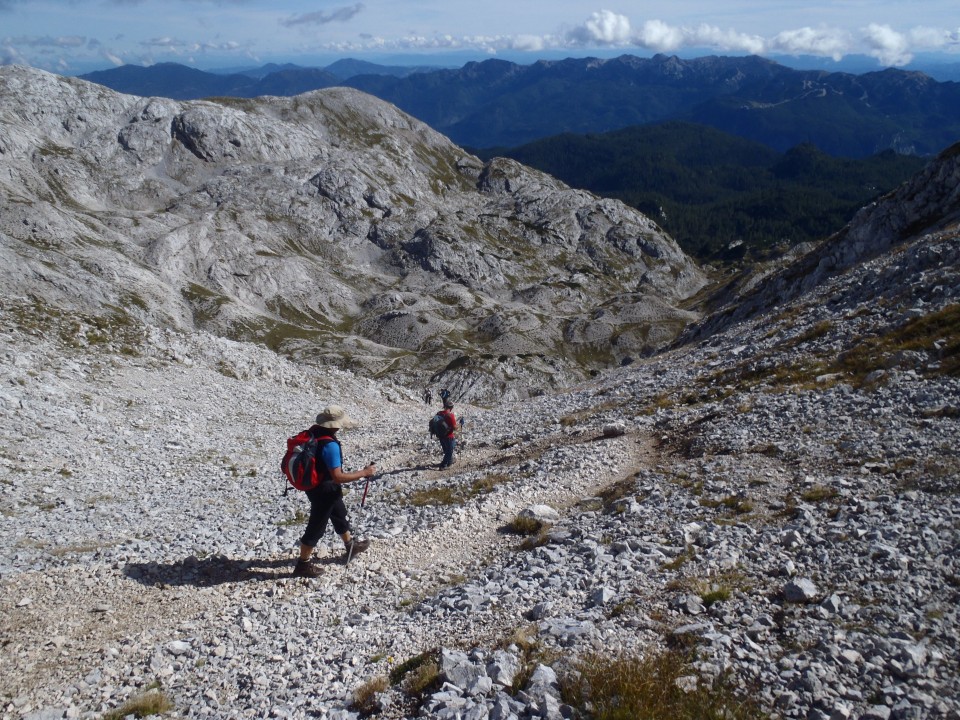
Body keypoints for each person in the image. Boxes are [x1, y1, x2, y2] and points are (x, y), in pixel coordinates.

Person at [293, 405, 376, 578]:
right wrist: (364, 473)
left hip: (316, 486)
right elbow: (338, 477)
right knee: (316, 526)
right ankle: (303, 565)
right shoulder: (330, 445)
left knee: (339, 513)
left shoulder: (313, 433)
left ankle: (350, 545)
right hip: (324, 488)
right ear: (336, 425)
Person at [436, 398, 458, 470]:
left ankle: (449, 461)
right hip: (449, 436)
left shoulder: (439, 413)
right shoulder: (450, 415)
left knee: (446, 450)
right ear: (451, 408)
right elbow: (455, 428)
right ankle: (443, 465)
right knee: (450, 450)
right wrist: (460, 424)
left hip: (441, 436)